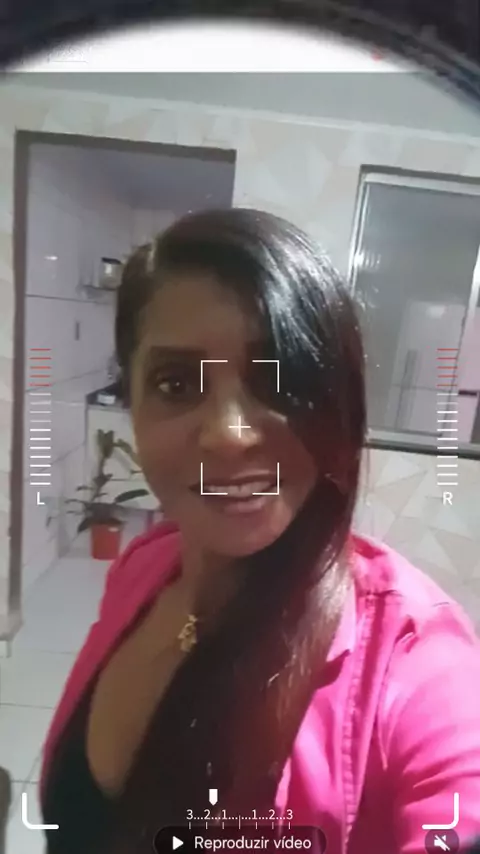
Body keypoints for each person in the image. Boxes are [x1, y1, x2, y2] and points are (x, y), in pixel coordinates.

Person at [39, 208, 480, 853]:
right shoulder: (145, 565)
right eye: (175, 383)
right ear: (131, 399)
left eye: (277, 381)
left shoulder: (413, 661)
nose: (229, 434)